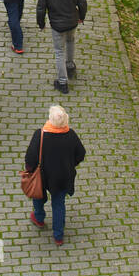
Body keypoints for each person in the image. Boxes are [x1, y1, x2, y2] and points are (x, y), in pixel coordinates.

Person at [25, 104, 86, 246]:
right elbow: (81, 154)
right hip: (63, 177)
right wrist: (72, 164)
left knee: (38, 196)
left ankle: (39, 217)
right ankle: (58, 235)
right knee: (59, 204)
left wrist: (30, 170)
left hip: (43, 176)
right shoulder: (71, 135)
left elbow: (30, 158)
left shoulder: (40, 135)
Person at [36, 0, 88, 94]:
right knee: (71, 41)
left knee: (59, 51)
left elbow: (40, 9)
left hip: (57, 26)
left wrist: (41, 24)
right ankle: (70, 65)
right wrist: (81, 17)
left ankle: (63, 82)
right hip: (72, 22)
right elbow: (82, 3)